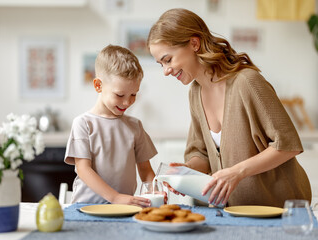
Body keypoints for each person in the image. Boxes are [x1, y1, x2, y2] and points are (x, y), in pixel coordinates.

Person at [147, 8, 311, 208]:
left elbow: (287, 145)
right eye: (160, 64)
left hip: (278, 209)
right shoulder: (196, 92)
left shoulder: (247, 83)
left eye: (168, 60)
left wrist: (237, 172)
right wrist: (187, 170)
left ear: (194, 43)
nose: (166, 71)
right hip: (233, 212)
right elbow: (202, 153)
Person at [64, 44, 157, 207]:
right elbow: (83, 169)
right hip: (86, 207)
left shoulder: (135, 126)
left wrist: (155, 191)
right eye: (119, 95)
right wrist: (115, 197)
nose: (127, 102)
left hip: (124, 209)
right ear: (98, 86)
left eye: (133, 94)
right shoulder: (83, 124)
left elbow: (146, 170)